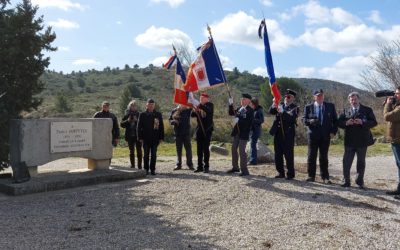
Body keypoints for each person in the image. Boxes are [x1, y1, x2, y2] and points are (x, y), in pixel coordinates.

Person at [337, 92, 377, 188]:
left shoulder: (367, 110)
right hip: (349, 141)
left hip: (362, 141)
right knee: (346, 161)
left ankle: (359, 181)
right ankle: (346, 180)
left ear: (359, 99)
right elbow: (338, 122)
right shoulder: (346, 110)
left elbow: (374, 122)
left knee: (361, 162)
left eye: (355, 99)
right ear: (349, 101)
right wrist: (346, 123)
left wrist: (363, 122)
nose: (353, 101)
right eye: (351, 100)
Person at [303, 89, 338, 183]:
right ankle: (311, 176)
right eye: (318, 96)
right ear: (314, 97)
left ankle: (325, 177)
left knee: (324, 157)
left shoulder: (330, 106)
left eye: (321, 95)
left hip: (325, 136)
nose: (320, 97)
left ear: (323, 96)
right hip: (313, 136)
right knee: (311, 156)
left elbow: (335, 121)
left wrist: (333, 132)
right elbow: (304, 120)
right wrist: (310, 121)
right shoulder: (308, 107)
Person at [269, 89, 299, 180]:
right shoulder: (280, 105)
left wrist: (283, 112)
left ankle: (290, 173)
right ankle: (280, 172)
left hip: (288, 134)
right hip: (278, 133)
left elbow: (292, 119)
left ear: (293, 98)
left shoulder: (295, 108)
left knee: (288, 154)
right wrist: (274, 104)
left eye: (289, 97)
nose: (286, 98)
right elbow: (271, 111)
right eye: (286, 96)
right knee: (278, 154)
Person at [226, 93, 254, 176]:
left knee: (242, 151)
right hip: (237, 132)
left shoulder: (250, 110)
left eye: (244, 99)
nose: (242, 100)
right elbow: (231, 113)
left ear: (249, 101)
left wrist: (239, 121)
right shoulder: (239, 108)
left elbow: (249, 122)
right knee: (234, 148)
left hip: (244, 133)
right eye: (242, 99)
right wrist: (231, 104)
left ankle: (244, 170)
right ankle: (235, 167)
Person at [137, 99, 164, 175]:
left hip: (155, 138)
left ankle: (152, 170)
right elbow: (138, 127)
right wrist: (140, 138)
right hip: (145, 138)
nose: (151, 106)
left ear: (154, 106)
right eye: (149, 105)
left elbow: (161, 126)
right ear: (147, 105)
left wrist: (161, 137)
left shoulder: (158, 114)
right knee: (145, 155)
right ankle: (146, 169)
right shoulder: (142, 114)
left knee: (154, 155)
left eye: (152, 105)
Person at [383, 86, 400, 199]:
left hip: (398, 140)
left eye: (398, 94)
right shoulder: (397, 105)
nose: (395, 95)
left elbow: (387, 116)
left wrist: (388, 104)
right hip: (396, 139)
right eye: (395, 93)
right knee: (399, 165)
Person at [191, 93, 214, 173]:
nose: (201, 99)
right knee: (199, 149)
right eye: (200, 98)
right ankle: (199, 166)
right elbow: (192, 115)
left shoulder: (210, 105)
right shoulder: (199, 106)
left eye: (203, 98)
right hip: (199, 130)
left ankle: (206, 166)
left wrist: (199, 106)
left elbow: (208, 110)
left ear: (207, 99)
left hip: (207, 130)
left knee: (205, 148)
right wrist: (195, 109)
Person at [169, 104, 194, 170]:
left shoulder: (188, 110)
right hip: (178, 134)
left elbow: (192, 107)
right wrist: (174, 121)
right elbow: (170, 120)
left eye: (183, 103)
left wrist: (189, 99)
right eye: (181, 103)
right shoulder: (174, 110)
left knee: (188, 150)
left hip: (186, 133)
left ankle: (190, 164)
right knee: (178, 150)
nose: (182, 105)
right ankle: (178, 165)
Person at [120, 100, 142, 169]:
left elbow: (143, 125)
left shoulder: (139, 114)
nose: (133, 107)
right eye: (132, 106)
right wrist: (128, 121)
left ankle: (139, 166)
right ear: (130, 107)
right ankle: (132, 165)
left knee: (139, 151)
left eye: (134, 106)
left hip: (138, 136)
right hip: (130, 136)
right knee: (131, 151)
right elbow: (121, 124)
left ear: (136, 107)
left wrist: (136, 121)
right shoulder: (127, 114)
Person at [248, 97, 264, 165]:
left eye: (251, 103)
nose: (250, 105)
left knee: (253, 144)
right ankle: (252, 159)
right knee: (252, 144)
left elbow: (261, 120)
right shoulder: (253, 110)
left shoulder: (259, 110)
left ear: (254, 104)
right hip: (252, 130)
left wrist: (253, 120)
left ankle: (253, 160)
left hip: (256, 130)